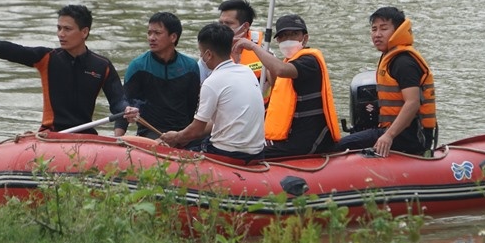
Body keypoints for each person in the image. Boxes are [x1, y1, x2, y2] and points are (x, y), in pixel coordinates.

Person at [0, 4, 127, 133]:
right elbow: (14, 51)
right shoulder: (47, 58)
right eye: (59, 28)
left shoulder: (102, 65)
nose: (61, 34)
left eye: (67, 29)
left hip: (85, 134)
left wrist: (125, 115)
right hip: (51, 134)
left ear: (84, 32)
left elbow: (118, 101)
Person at [234, 14, 341, 158]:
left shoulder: (309, 61)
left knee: (245, 155)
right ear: (278, 40)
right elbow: (277, 84)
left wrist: (253, 47)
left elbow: (281, 70)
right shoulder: (288, 61)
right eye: (283, 36)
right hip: (287, 136)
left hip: (307, 140)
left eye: (294, 34)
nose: (288, 39)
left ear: (305, 38)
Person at [335, 7, 437, 157]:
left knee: (337, 147)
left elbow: (413, 102)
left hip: (410, 136)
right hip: (395, 131)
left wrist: (389, 135)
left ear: (398, 31)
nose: (377, 34)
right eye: (374, 29)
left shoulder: (403, 62)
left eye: (383, 29)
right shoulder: (389, 57)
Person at [158, 23, 265, 162]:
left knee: (182, 147)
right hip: (258, 152)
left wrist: (176, 137)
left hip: (228, 154)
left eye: (201, 52)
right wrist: (183, 135)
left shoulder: (212, 82)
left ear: (208, 54)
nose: (201, 56)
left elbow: (196, 130)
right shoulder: (247, 71)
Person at [114, 12, 201, 142]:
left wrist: (183, 136)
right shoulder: (138, 66)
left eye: (157, 33)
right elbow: (126, 104)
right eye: (149, 33)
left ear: (173, 37)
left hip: (182, 134)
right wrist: (117, 139)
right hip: (149, 134)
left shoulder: (190, 67)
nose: (151, 38)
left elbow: (192, 107)